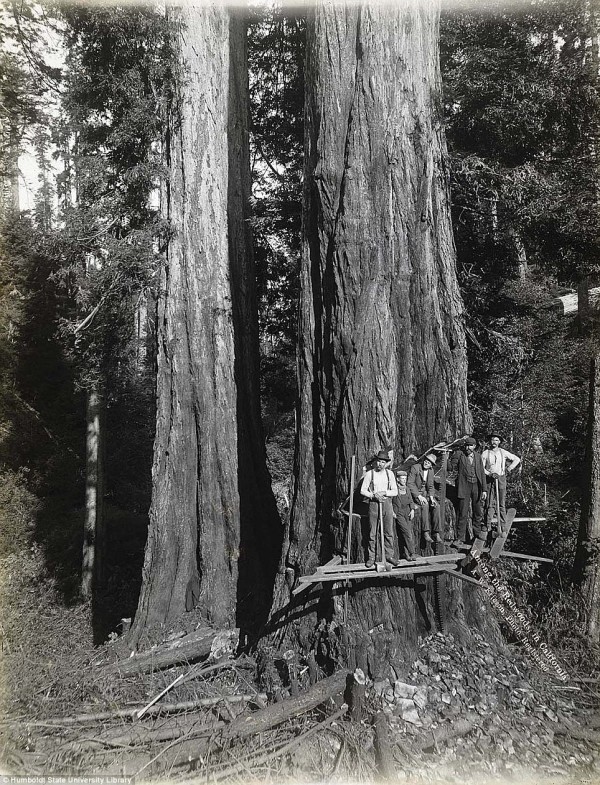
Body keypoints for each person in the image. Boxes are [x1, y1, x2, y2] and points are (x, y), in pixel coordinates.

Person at [360, 450, 398, 568]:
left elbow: (395, 491)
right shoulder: (369, 474)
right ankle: (371, 557)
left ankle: (389, 555)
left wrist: (384, 492)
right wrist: (373, 495)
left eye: (383, 462)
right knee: (372, 533)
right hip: (374, 504)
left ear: (386, 463)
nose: (380, 464)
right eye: (379, 461)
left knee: (388, 532)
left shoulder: (389, 474)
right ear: (375, 462)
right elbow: (362, 490)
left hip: (387, 503)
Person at [449, 437, 487, 545]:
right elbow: (451, 467)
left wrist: (484, 490)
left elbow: (482, 474)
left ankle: (477, 533)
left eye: (470, 445)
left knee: (478, 511)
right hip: (464, 486)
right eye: (466, 445)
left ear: (474, 446)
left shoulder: (478, 456)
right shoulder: (460, 455)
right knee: (463, 512)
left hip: (476, 486)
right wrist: (447, 459)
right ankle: (460, 538)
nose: (467, 448)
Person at [481, 434, 521, 529]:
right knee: (489, 502)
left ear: (499, 442)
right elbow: (481, 468)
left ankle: (503, 525)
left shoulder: (503, 452)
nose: (493, 442)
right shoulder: (485, 453)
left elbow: (517, 459)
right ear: (489, 441)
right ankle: (487, 525)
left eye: (496, 440)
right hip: (489, 479)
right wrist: (489, 473)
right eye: (492, 440)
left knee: (501, 502)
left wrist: (509, 468)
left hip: (501, 478)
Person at [407, 453, 442, 543]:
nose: (427, 463)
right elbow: (410, 483)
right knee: (425, 506)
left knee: (436, 506)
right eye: (426, 460)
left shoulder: (431, 471)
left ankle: (436, 532)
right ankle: (426, 532)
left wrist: (431, 498)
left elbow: (430, 486)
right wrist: (419, 496)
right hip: (415, 493)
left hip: (425, 494)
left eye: (429, 462)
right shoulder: (415, 467)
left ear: (431, 465)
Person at [392, 470, 417, 561]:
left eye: (405, 479)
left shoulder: (406, 489)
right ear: (398, 479)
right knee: (407, 533)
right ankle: (412, 552)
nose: (404, 480)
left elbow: (411, 500)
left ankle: (406, 554)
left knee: (407, 533)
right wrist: (392, 511)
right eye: (402, 479)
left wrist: (413, 509)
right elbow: (390, 501)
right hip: (399, 513)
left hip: (408, 511)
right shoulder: (394, 489)